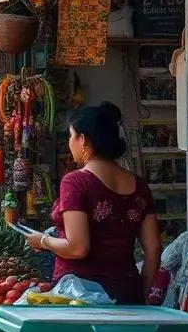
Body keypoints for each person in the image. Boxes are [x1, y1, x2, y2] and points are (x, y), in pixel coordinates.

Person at [23, 102, 161, 304]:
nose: (70, 142)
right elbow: (154, 247)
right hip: (127, 292)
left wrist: (42, 240)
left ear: (84, 140)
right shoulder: (139, 186)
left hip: (82, 297)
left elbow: (77, 248)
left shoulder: (76, 182)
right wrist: (141, 292)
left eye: (71, 136)